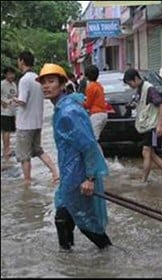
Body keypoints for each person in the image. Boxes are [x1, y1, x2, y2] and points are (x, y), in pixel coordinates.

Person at [36, 63, 112, 251]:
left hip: (80, 178)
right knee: (62, 218)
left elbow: (89, 145)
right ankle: (68, 260)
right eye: (43, 82)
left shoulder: (69, 112)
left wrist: (90, 178)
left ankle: (109, 254)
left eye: (51, 81)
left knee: (87, 223)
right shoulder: (62, 108)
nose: (46, 86)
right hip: (69, 177)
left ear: (62, 84)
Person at [13, 51, 58, 186]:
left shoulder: (24, 80)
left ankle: (27, 182)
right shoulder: (38, 79)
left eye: (18, 60)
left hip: (25, 124)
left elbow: (22, 101)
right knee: (38, 150)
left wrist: (14, 99)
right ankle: (55, 172)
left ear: (21, 61)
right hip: (37, 122)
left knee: (24, 156)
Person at [123, 68, 162, 183]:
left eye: (130, 83)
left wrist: (160, 125)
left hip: (153, 127)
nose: (130, 86)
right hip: (147, 126)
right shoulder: (140, 89)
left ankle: (144, 180)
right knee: (151, 153)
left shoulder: (149, 89)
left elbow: (161, 104)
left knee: (146, 152)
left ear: (135, 79)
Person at [83, 65, 107, 142]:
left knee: (93, 140)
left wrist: (79, 103)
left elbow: (88, 105)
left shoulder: (90, 87)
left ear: (87, 76)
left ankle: (97, 154)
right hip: (103, 114)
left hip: (96, 115)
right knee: (95, 139)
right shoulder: (99, 85)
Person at [1, 66, 18, 162]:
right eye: (9, 74)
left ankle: (7, 149)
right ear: (5, 74)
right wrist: (3, 103)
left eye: (13, 73)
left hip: (12, 111)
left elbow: (15, 96)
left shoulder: (14, 85)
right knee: (6, 131)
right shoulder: (2, 84)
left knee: (10, 131)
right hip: (4, 112)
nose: (11, 75)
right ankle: (6, 150)